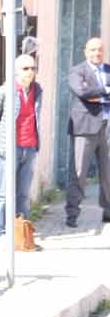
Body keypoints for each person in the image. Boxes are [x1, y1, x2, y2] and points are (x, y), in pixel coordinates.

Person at [0, 54, 42, 237]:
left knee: (23, 195)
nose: (30, 72)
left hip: (30, 148)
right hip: (10, 149)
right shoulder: (4, 91)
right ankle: (2, 232)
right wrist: (0, 144)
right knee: (3, 193)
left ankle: (21, 233)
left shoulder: (38, 90)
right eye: (26, 68)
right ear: (16, 71)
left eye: (33, 68)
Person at [64, 37, 109, 228]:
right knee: (79, 172)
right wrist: (106, 90)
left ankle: (107, 211)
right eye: (92, 50)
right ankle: (72, 214)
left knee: (108, 173)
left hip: (107, 128)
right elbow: (81, 93)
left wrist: (96, 95)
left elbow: (90, 94)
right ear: (85, 52)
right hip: (85, 128)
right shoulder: (77, 70)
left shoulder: (108, 69)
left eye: (99, 50)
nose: (96, 53)